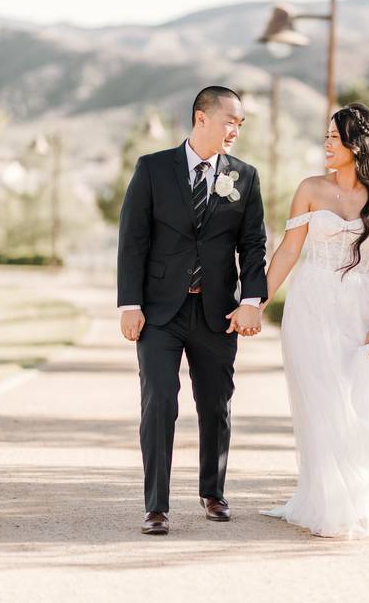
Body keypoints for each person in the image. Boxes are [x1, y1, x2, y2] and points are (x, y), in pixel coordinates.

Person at [260, 103, 369, 538]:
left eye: (334, 138)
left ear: (357, 145)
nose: (326, 144)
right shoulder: (309, 189)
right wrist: (257, 302)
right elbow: (287, 250)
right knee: (320, 400)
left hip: (362, 312)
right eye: (325, 136)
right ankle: (329, 497)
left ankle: (366, 487)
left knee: (360, 403)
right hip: (310, 306)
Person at [116, 86, 267, 535]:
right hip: (159, 313)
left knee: (216, 406)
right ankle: (156, 506)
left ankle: (212, 492)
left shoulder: (245, 176)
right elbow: (133, 240)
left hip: (217, 312)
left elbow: (253, 244)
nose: (235, 130)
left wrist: (251, 301)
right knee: (159, 401)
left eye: (240, 123)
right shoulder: (152, 168)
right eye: (229, 121)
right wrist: (130, 304)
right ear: (201, 118)